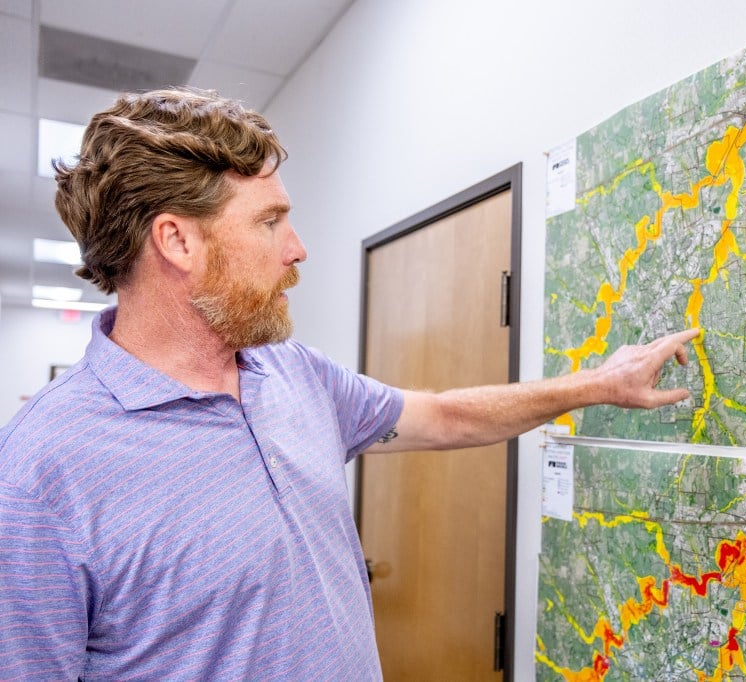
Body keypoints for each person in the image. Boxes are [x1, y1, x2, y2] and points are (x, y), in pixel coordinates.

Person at [0, 87, 700, 680]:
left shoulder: (292, 373)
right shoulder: (42, 470)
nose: (298, 248)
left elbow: (444, 416)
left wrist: (599, 385)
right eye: (270, 221)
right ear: (177, 240)